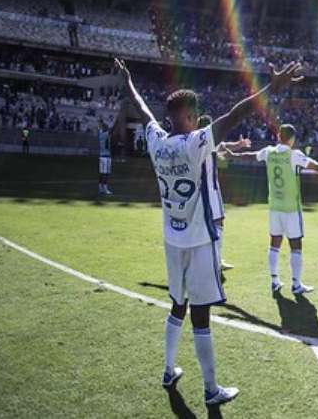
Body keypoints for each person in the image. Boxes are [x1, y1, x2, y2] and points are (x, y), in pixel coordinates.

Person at [115, 57, 305, 407]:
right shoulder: (195, 142)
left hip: (172, 240)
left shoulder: (157, 142)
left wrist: (128, 84)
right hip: (200, 241)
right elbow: (236, 114)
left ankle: (169, 369)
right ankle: (210, 389)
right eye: (195, 115)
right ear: (189, 117)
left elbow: (143, 112)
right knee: (201, 316)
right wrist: (271, 89)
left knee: (177, 305)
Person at [226, 124, 318, 294]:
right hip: (291, 209)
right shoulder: (294, 155)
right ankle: (296, 284)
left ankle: (274, 280)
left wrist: (234, 155)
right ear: (292, 139)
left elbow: (251, 156)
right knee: (296, 246)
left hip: (274, 207)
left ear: (278, 136)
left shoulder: (269, 151)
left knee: (274, 244)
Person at [198, 114, 251, 272]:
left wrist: (238, 144)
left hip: (199, 189)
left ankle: (206, 258)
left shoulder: (194, 140)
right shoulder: (210, 140)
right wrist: (237, 146)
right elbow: (223, 148)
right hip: (210, 189)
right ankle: (216, 260)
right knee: (218, 222)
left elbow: (223, 146)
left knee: (204, 225)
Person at [97, 120, 113, 196]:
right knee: (105, 173)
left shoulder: (101, 134)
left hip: (103, 156)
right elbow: (111, 130)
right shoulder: (104, 134)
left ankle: (100, 187)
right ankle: (104, 188)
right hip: (105, 156)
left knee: (102, 173)